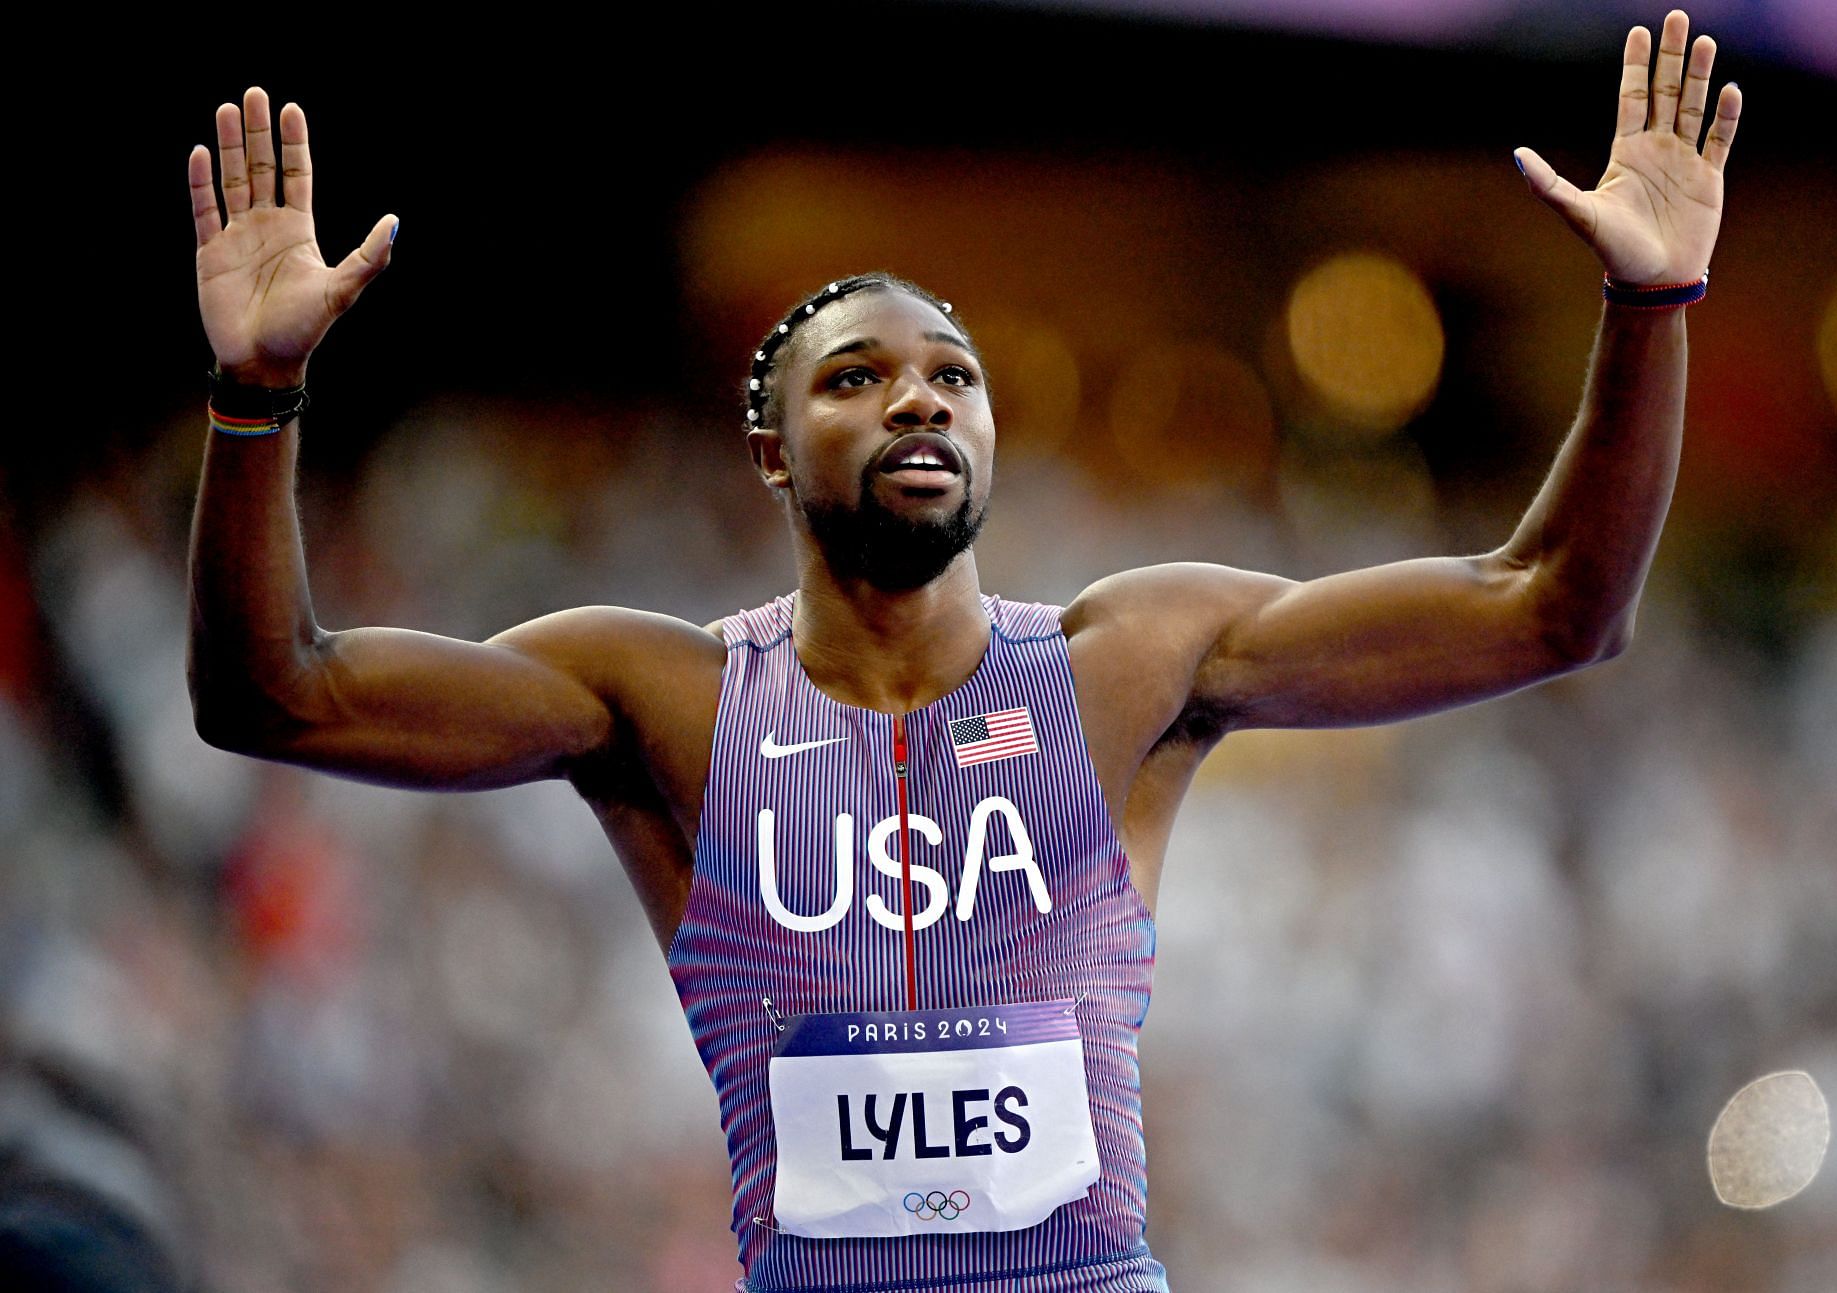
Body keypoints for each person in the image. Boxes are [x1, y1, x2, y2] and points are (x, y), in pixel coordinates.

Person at [185, 12, 1742, 1291]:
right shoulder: (657, 693)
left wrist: (1653, 297)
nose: (920, 397)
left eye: (955, 375)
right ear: (771, 450)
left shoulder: (1126, 662)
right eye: (857, 375)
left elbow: (1554, 603)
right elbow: (275, 692)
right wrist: (255, 405)